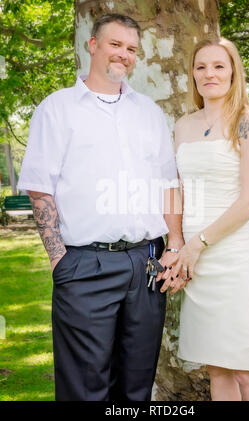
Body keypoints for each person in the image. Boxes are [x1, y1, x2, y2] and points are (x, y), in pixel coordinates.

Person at [17, 13, 183, 401]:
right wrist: (60, 259)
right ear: (92, 45)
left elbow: (169, 183)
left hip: (146, 264)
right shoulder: (56, 109)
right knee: (84, 388)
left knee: (136, 386)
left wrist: (174, 243)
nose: (124, 55)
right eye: (115, 44)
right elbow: (40, 190)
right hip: (84, 266)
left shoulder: (150, 113)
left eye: (131, 49)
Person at [160, 37, 249, 401]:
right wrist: (177, 245)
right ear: (192, 75)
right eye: (201, 67)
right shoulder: (182, 125)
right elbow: (176, 188)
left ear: (233, 72)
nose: (209, 73)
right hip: (196, 262)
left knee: (247, 371)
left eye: (219, 66)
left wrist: (198, 244)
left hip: (238, 258)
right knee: (218, 368)